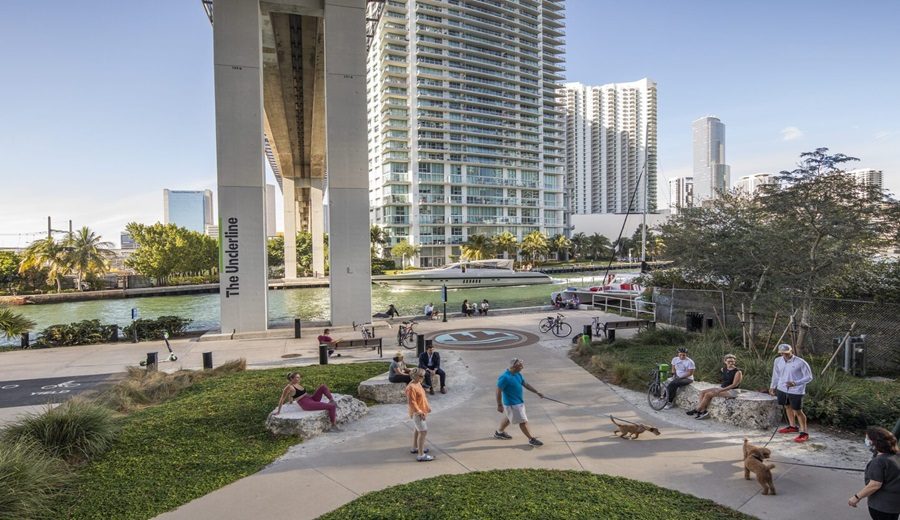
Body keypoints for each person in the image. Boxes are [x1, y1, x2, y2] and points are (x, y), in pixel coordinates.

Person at [848, 427, 900, 520]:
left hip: (882, 506)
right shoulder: (896, 455)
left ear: (873, 442)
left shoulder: (879, 461)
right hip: (895, 505)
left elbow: (874, 485)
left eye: (867, 438)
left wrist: (856, 497)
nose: (866, 440)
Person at [493, 358, 544, 447]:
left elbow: (525, 384)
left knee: (509, 417)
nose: (522, 367)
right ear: (513, 367)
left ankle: (499, 433)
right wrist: (499, 405)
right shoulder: (505, 377)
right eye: (520, 366)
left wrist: (536, 392)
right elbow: (498, 391)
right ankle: (531, 439)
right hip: (512, 404)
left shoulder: (517, 374)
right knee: (523, 422)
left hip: (518, 402)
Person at [769, 343, 814, 443]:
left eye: (786, 353)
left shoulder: (801, 362)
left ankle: (804, 433)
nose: (784, 355)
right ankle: (792, 426)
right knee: (787, 406)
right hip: (782, 388)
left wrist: (795, 383)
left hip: (796, 391)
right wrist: (772, 386)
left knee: (798, 411)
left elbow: (809, 377)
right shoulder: (777, 361)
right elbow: (775, 375)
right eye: (781, 353)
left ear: (791, 351)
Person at [686, 354, 742, 420]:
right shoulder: (723, 369)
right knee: (702, 392)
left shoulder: (738, 372)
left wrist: (721, 390)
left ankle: (697, 409)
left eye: (732, 361)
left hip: (733, 391)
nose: (731, 363)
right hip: (723, 388)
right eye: (729, 361)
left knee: (708, 394)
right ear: (725, 361)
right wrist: (720, 389)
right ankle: (703, 411)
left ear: (734, 362)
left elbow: (734, 385)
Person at [405, 368, 434, 462]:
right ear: (414, 376)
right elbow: (411, 402)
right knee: (423, 431)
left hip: (421, 410)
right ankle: (421, 455)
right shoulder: (411, 387)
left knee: (417, 430)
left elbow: (422, 397)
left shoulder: (418, 383)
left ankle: (415, 447)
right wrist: (419, 412)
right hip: (417, 413)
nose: (423, 377)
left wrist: (427, 407)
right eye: (421, 376)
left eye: (423, 375)